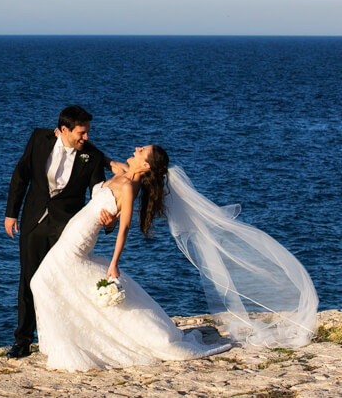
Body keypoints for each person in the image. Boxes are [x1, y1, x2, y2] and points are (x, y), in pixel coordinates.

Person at [30, 145, 318, 372]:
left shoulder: (129, 188)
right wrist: (107, 219)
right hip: (75, 234)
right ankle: (74, 339)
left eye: (142, 151)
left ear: (145, 166)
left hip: (78, 241)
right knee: (50, 282)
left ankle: (72, 344)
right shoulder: (122, 174)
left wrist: (114, 263)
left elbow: (125, 227)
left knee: (41, 281)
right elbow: (108, 196)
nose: (136, 148)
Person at [3, 105, 115, 358]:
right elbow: (21, 174)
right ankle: (22, 341)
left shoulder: (91, 156)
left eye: (87, 132)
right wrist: (11, 213)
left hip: (66, 227)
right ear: (63, 129)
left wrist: (109, 220)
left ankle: (67, 340)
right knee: (29, 281)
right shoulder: (38, 138)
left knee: (64, 282)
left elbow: (97, 191)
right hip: (33, 222)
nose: (86, 137)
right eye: (81, 132)